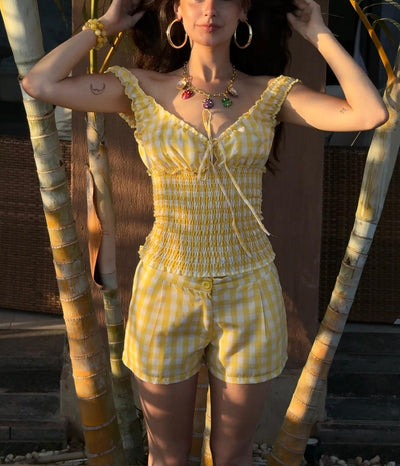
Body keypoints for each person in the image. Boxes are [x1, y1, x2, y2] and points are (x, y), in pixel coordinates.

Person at [22, 0, 388, 465]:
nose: (209, 9)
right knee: (167, 456)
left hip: (249, 289)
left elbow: (369, 113)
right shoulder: (141, 88)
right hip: (165, 287)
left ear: (243, 13)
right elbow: (39, 83)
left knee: (232, 454)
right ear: (177, 11)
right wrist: (104, 26)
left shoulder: (271, 93)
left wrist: (317, 33)